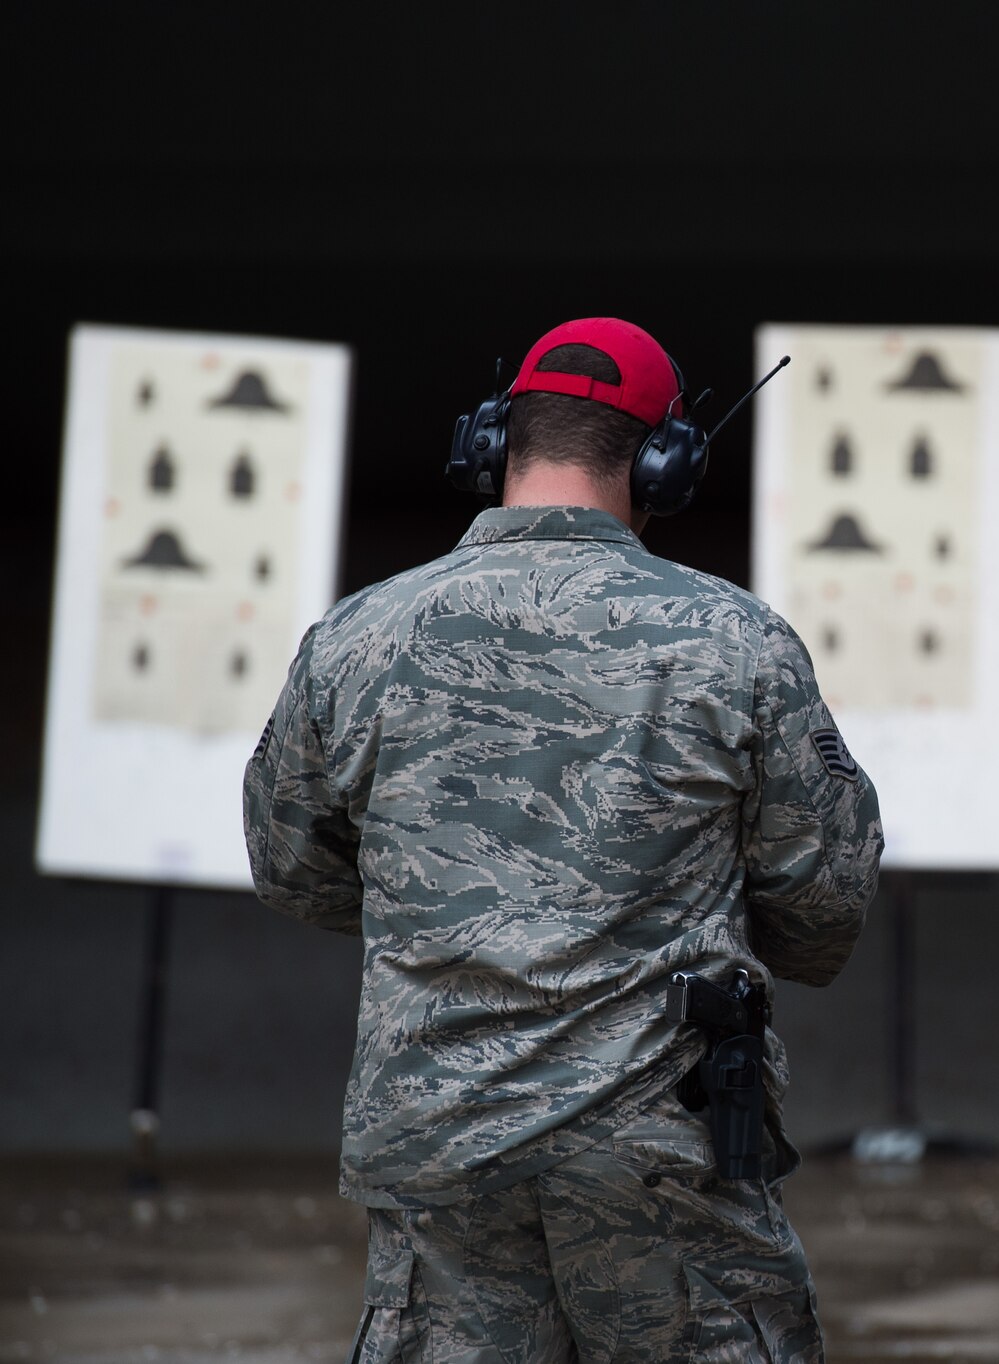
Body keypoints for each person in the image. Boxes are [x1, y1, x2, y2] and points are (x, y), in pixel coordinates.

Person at [243, 317, 882, 1362]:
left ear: (495, 442)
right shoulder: (734, 642)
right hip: (660, 1150)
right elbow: (823, 904)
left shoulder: (356, 635)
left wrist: (450, 913)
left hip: (439, 1133)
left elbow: (291, 868)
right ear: (665, 458)